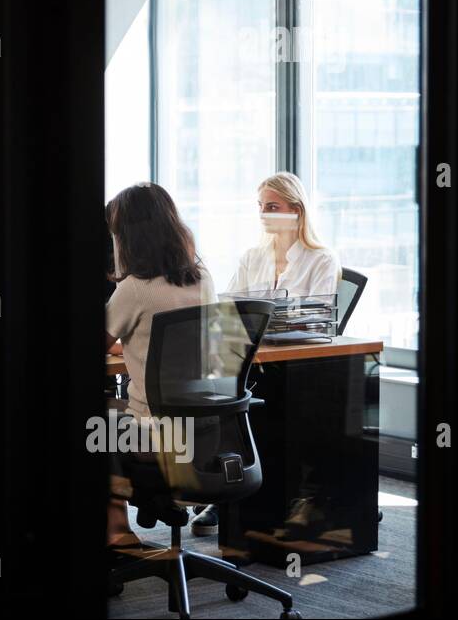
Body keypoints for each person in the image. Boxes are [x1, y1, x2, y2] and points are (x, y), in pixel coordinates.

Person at [190, 171, 340, 537]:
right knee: (216, 393)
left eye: (272, 207)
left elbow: (316, 319)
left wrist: (276, 323)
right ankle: (224, 486)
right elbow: (226, 309)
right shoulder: (252, 257)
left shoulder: (321, 260)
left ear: (296, 210)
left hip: (299, 370)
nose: (264, 215)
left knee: (246, 400)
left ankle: (244, 494)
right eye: (260, 207)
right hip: (252, 358)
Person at [104, 183, 215, 549]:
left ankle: (118, 530)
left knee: (90, 420)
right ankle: (148, 504)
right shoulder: (202, 278)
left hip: (153, 439)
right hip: (207, 434)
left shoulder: (135, 288)